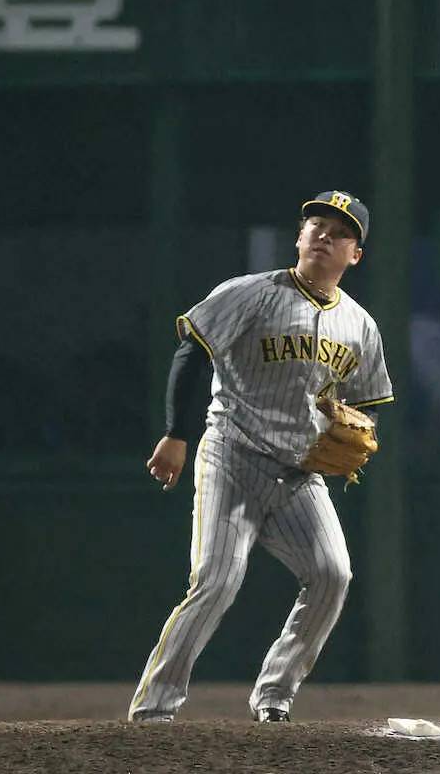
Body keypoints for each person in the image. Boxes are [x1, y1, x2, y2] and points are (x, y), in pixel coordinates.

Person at [127, 189, 394, 723]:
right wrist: (176, 434)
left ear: (355, 255)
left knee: (333, 574)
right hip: (233, 455)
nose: (325, 237)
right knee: (217, 580)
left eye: (341, 233)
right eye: (317, 226)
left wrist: (355, 436)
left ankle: (275, 696)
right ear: (299, 237)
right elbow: (192, 352)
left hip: (300, 474)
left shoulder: (360, 325)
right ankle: (155, 708)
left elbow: (365, 406)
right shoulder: (251, 293)